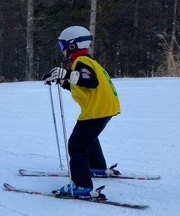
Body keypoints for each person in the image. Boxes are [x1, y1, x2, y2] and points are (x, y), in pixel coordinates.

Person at [42, 25, 121, 198]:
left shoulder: (81, 62)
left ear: (72, 46)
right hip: (105, 108)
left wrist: (66, 73)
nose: (62, 51)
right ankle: (97, 167)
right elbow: (81, 86)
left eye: (63, 46)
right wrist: (61, 80)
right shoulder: (87, 62)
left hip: (98, 109)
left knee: (76, 145)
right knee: (88, 138)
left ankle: (81, 185)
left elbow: (89, 81)